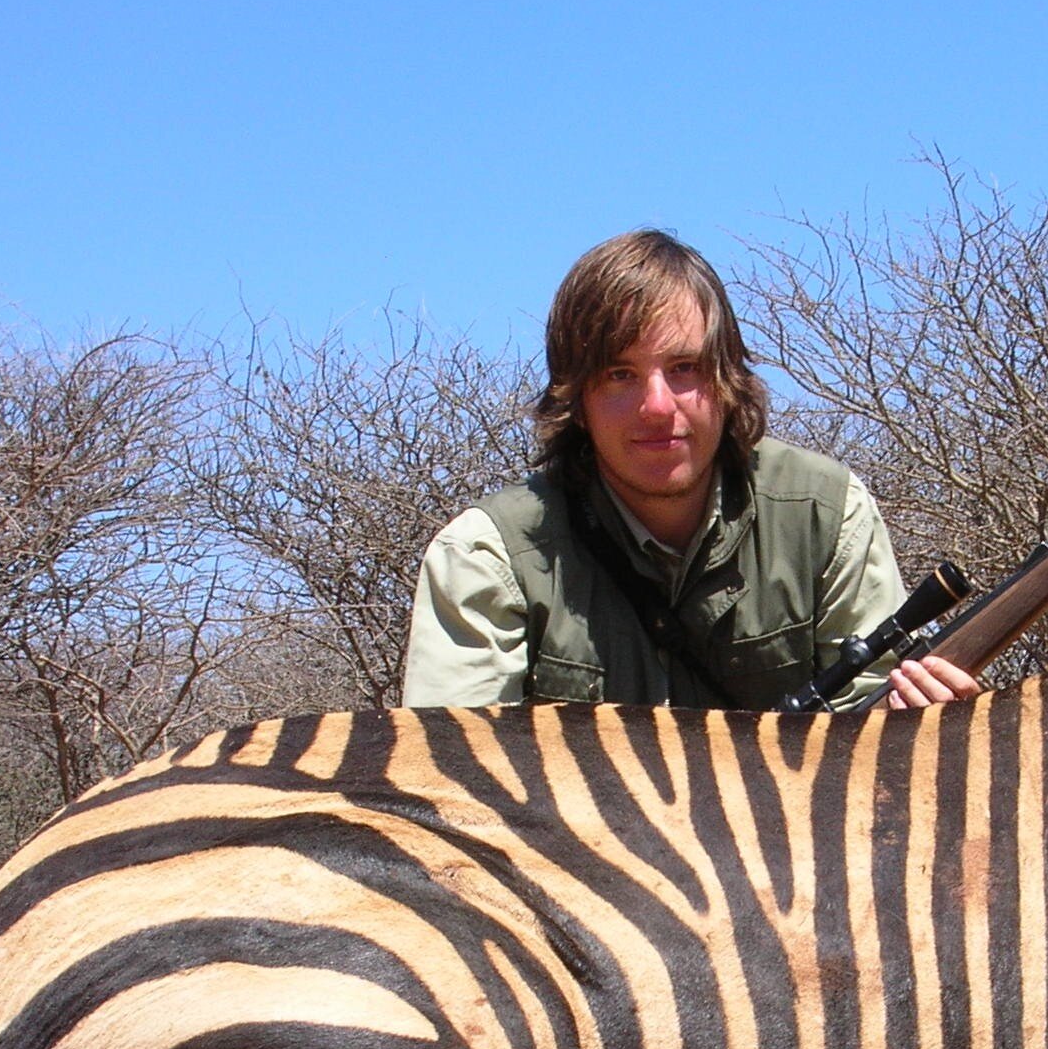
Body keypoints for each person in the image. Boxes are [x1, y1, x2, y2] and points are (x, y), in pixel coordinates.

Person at [402, 230, 979, 712]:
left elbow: (872, 736)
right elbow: (454, 786)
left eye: (684, 368)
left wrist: (919, 727)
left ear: (728, 380)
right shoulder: (485, 555)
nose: (658, 405)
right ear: (575, 399)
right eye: (619, 375)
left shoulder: (829, 513)